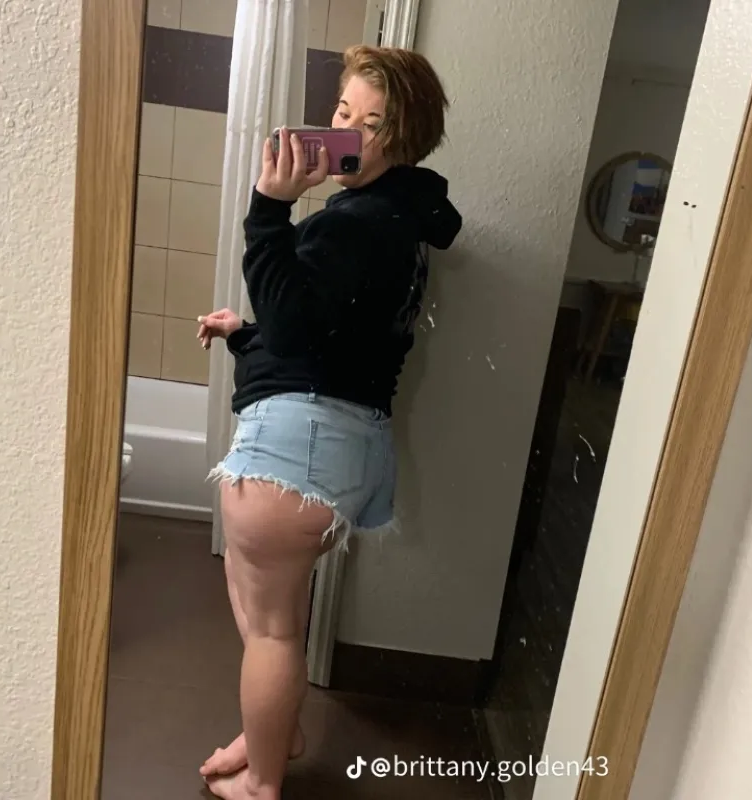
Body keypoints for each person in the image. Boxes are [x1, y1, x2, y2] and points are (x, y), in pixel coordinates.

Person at [195, 44, 462, 800]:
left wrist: (269, 207)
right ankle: (272, 727)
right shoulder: (395, 219)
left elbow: (295, 320)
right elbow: (322, 336)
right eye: (344, 112)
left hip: (300, 444)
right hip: (339, 439)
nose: (347, 131)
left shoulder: (358, 223)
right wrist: (247, 336)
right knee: (263, 607)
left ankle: (264, 781)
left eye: (372, 124)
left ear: (404, 140)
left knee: (273, 630)